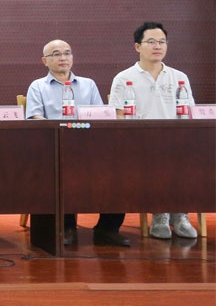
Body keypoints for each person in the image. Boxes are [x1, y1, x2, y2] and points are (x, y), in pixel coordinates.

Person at [25, 39, 128, 246]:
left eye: (67, 53)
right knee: (62, 166)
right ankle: (67, 227)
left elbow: (100, 115)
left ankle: (107, 228)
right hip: (54, 146)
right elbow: (35, 117)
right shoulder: (38, 86)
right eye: (56, 54)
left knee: (119, 167)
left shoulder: (88, 84)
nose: (63, 58)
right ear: (45, 60)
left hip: (88, 145)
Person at [109, 22, 197, 240]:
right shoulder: (123, 78)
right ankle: (160, 213)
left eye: (162, 42)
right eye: (151, 42)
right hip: (139, 143)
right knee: (159, 158)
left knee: (192, 157)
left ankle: (180, 214)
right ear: (137, 47)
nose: (158, 46)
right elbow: (118, 115)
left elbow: (189, 113)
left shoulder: (179, 77)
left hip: (176, 141)